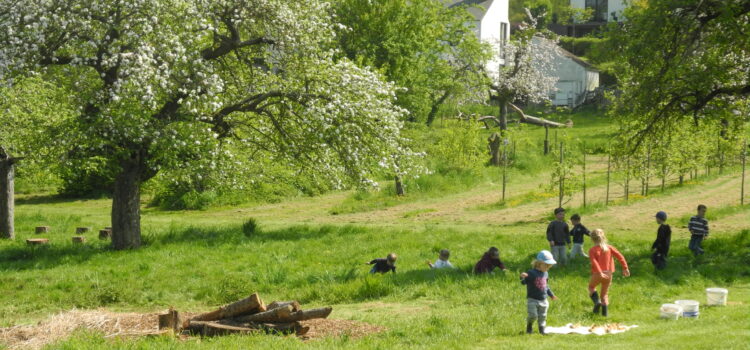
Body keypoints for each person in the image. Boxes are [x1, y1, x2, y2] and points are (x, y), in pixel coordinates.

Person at [588, 229, 630, 317]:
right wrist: (625, 268)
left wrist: (599, 272)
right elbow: (620, 256)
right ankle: (604, 315)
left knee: (591, 287)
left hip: (597, 274)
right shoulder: (609, 248)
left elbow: (594, 261)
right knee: (604, 294)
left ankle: (597, 302)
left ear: (592, 239)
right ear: (603, 237)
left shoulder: (592, 250)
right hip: (608, 274)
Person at [520, 250, 558, 335]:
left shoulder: (546, 273)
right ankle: (529, 327)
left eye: (549, 266)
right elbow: (523, 283)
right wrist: (522, 277)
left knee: (543, 316)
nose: (548, 268)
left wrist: (551, 295)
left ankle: (542, 330)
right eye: (546, 265)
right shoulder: (531, 273)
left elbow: (545, 286)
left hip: (543, 300)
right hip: (532, 300)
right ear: (539, 263)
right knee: (533, 315)